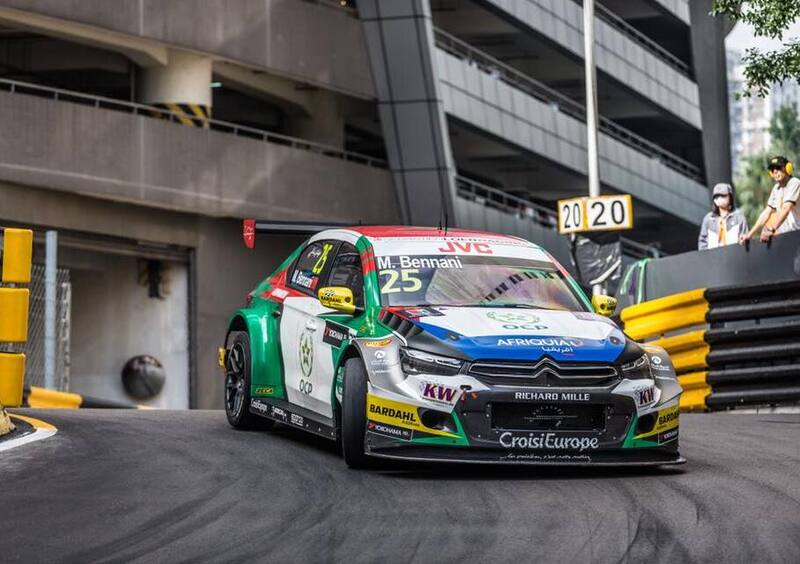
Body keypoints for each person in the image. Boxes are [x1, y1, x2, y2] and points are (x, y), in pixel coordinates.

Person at [740, 156, 800, 244]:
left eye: (778, 168)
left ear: (788, 168)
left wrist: (772, 229)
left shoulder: (795, 183)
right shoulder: (776, 188)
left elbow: (786, 208)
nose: (775, 171)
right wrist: (749, 235)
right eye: (772, 170)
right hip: (788, 237)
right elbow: (766, 213)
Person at [698, 183, 749, 250]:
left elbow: (745, 239)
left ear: (730, 197)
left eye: (723, 195)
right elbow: (702, 243)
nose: (719, 198)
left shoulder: (739, 218)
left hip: (734, 256)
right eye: (717, 196)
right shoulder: (708, 219)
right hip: (713, 258)